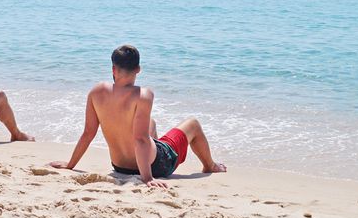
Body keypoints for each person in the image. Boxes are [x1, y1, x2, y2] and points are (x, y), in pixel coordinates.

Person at [50, 45, 226, 187]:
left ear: (113, 68)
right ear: (138, 69)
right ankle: (210, 166)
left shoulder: (97, 91)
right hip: (155, 166)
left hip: (119, 166)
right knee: (193, 124)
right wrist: (148, 178)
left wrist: (70, 164)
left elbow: (88, 133)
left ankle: (156, 146)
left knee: (151, 123)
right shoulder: (143, 95)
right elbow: (140, 139)